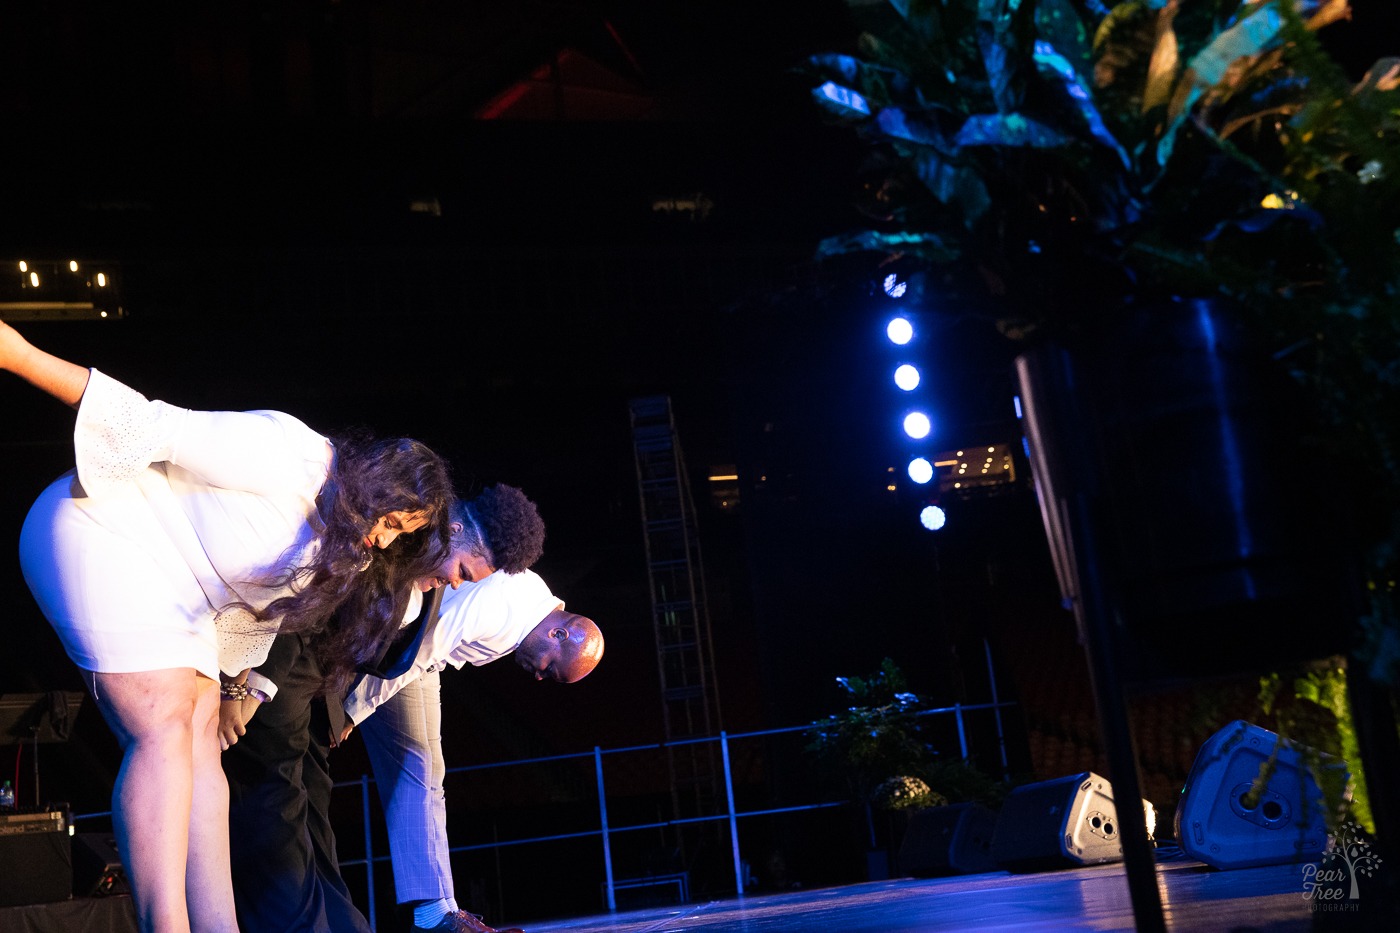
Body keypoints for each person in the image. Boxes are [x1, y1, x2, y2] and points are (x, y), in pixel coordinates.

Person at [0, 319, 455, 933]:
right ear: (373, 478)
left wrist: (238, 685)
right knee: (164, 719)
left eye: (401, 531)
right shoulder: (291, 453)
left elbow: (256, 608)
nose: (385, 536)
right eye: (391, 517)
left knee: (200, 735)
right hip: (108, 528)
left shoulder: (347, 549)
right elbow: (152, 422)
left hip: (182, 592)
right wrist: (19, 356)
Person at [222, 490, 602, 933]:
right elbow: (417, 653)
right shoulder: (505, 609)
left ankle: (421, 911)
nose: (539, 677)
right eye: (550, 670)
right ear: (558, 634)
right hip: (401, 648)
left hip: (408, 648)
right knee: (415, 765)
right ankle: (431, 915)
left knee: (404, 768)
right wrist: (349, 711)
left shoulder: (533, 611)